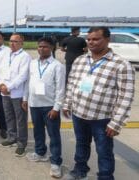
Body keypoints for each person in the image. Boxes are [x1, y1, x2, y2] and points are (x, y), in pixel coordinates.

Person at [63, 27, 135, 180]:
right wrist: (67, 103)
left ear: (107, 40)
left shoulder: (121, 64)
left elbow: (126, 96)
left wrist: (116, 123)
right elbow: (72, 83)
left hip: (102, 118)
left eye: (96, 39)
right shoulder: (80, 60)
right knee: (81, 145)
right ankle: (80, 170)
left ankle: (105, 176)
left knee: (104, 151)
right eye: (89, 39)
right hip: (79, 113)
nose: (91, 42)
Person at [22, 37, 65, 178]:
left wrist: (56, 108)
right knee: (38, 131)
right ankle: (40, 152)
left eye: (45, 47)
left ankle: (56, 162)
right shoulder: (33, 63)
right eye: (39, 46)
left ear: (52, 48)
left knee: (54, 135)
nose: (41, 49)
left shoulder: (57, 66)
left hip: (49, 106)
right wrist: (25, 98)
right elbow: (28, 82)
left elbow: (60, 89)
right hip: (34, 104)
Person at [0, 33, 31, 156]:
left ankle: (22, 143)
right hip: (4, 93)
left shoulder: (25, 56)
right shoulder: (6, 55)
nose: (12, 43)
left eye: (15, 41)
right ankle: (12, 138)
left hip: (18, 94)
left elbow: (23, 76)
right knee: (9, 116)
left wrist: (9, 87)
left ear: (21, 43)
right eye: (10, 41)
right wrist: (1, 84)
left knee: (20, 119)